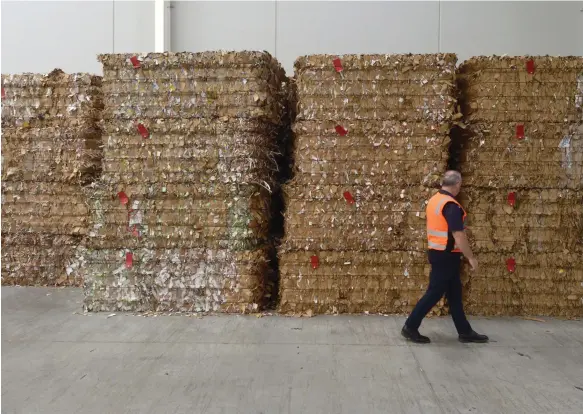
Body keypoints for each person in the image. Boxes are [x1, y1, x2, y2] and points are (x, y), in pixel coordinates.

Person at [401, 170, 488, 344]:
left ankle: (464, 331)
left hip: (438, 252)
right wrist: (470, 257)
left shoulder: (435, 200)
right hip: (446, 256)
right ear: (457, 185)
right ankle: (410, 326)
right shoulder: (451, 205)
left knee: (455, 293)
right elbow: (458, 235)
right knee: (434, 292)